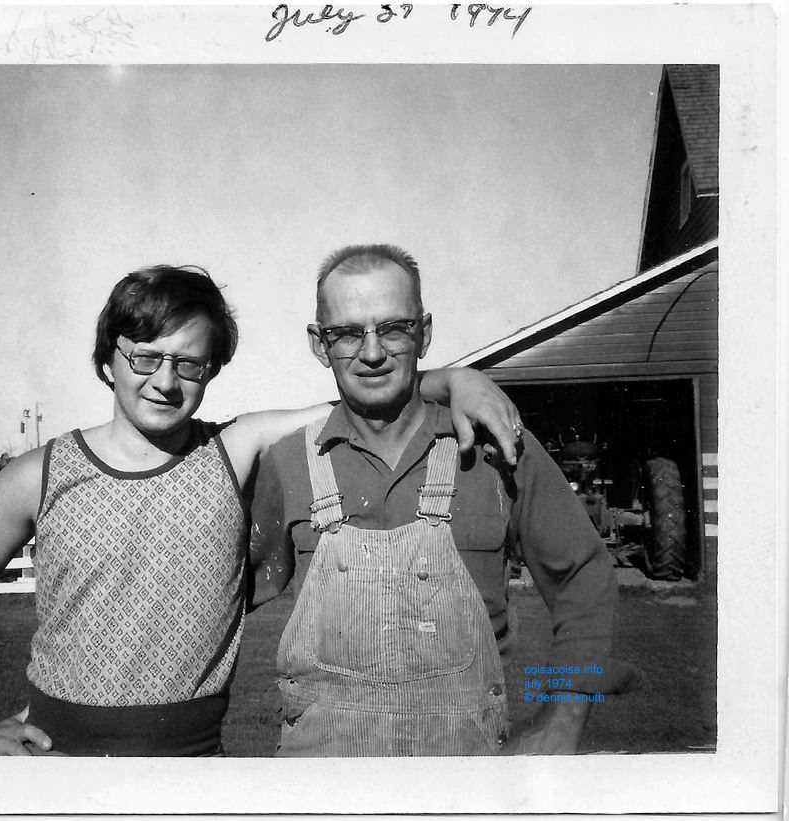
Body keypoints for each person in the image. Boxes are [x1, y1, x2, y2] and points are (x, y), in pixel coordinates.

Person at [0, 263, 522, 756]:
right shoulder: (42, 473)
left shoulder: (234, 450)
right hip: (55, 758)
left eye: (189, 364)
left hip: (195, 766)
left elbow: (365, 395)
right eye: (145, 357)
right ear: (108, 359)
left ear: (211, 371)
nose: (165, 381)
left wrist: (454, 380)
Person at [249, 244, 628, 757]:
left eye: (394, 328)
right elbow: (231, 593)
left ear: (424, 333)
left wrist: (563, 717)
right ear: (320, 344)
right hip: (323, 791)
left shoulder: (496, 448)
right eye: (347, 333)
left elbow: (583, 574)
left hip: (465, 788)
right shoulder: (288, 464)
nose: (373, 352)